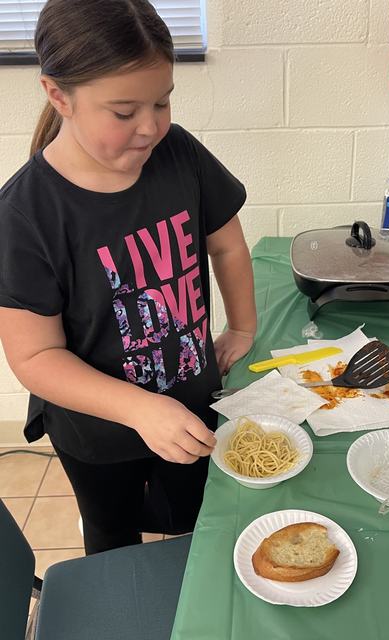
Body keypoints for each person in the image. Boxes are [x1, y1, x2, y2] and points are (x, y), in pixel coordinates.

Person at [0, 0, 256, 555]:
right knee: (113, 537)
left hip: (193, 403)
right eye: (123, 112)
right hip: (97, 433)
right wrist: (140, 408)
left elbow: (228, 243)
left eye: (162, 102)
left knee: (196, 526)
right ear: (57, 95)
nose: (150, 127)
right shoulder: (26, 214)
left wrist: (241, 327)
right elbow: (34, 358)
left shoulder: (178, 152)